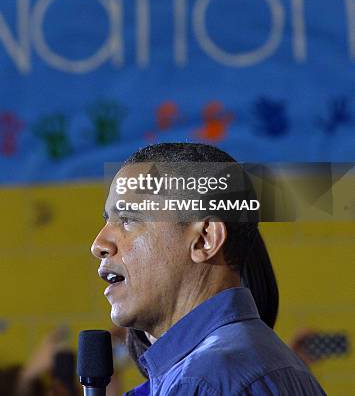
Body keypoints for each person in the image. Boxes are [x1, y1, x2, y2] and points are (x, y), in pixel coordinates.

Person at [91, 143, 326, 395]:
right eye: (108, 221)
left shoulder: (200, 382)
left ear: (205, 239)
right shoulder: (286, 366)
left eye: (128, 219)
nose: (98, 245)